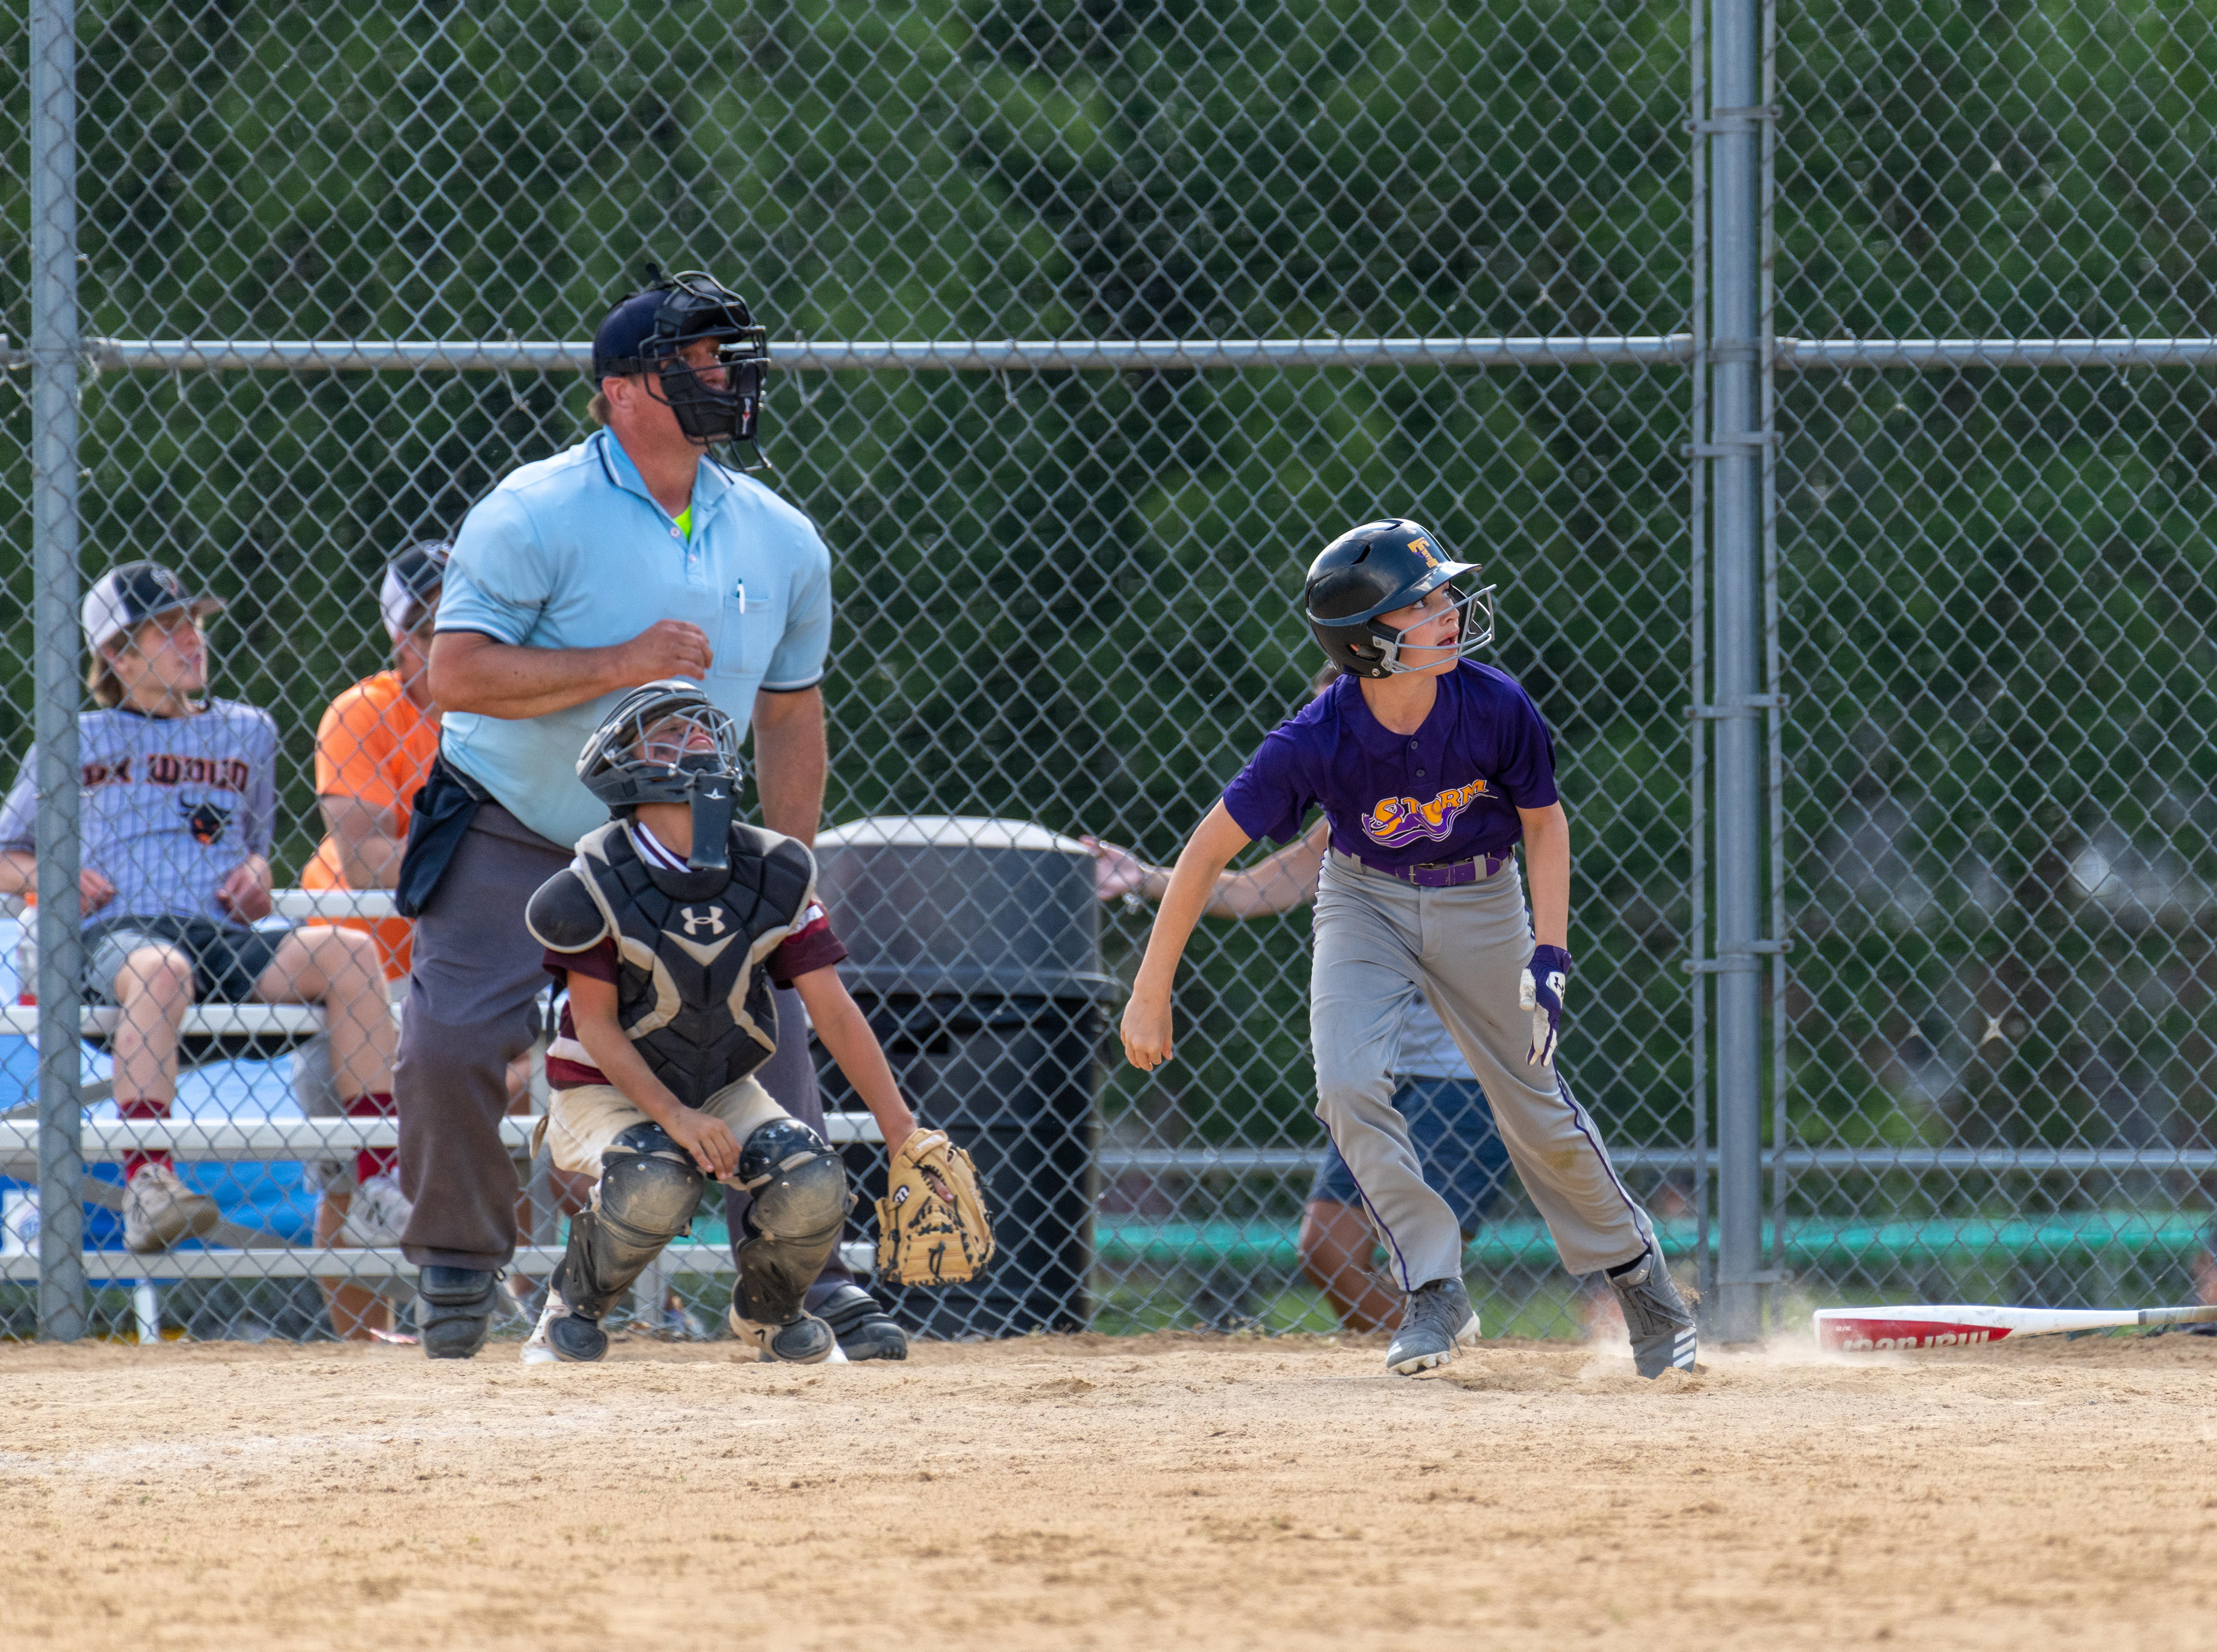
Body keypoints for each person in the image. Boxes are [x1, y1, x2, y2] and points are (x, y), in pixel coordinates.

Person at [398, 264, 903, 1360]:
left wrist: (787, 870)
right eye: (700, 361)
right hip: (514, 817)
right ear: (623, 390)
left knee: (770, 1028)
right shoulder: (534, 510)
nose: (728, 377)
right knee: (454, 1036)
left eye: (729, 358)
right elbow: (456, 675)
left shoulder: (780, 536)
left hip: (687, 837)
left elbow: (791, 712)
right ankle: (458, 1263)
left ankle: (806, 1280)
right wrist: (621, 661)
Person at [1117, 518, 1697, 1378]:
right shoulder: (1316, 737)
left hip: (1482, 899)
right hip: (1365, 900)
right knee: (1347, 1085)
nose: (1450, 610)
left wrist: (1551, 951)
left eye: (1446, 594)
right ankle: (1433, 1286)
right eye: (1423, 604)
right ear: (1367, 641)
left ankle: (1641, 1279)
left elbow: (1544, 824)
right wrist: (1149, 989)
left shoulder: (1495, 704)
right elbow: (1207, 854)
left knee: (1535, 1105)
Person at [1083, 667, 1511, 1333]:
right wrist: (1145, 877)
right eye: (1326, 721)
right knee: (1327, 1249)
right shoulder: (1349, 820)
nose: (1334, 739)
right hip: (1382, 1078)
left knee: (1416, 1255)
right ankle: (1438, 1355)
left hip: (1465, 1079)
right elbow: (1256, 886)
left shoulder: (1455, 800)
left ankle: (1450, 1341)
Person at [0, 562, 396, 1254]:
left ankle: (380, 1184)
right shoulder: (74, 738)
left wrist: (256, 871)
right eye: (167, 628)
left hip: (216, 934)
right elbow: (6, 854)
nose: (192, 638)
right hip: (117, 938)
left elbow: (251, 845)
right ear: (118, 655)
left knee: (350, 952)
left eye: (194, 623)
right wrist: (54, 873)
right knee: (161, 967)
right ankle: (148, 1184)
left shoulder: (248, 730)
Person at [520, 683, 921, 1364]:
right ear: (621, 768)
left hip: (722, 1083)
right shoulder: (593, 880)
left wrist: (902, 1129)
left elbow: (832, 1009)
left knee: (811, 1176)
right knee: (656, 1176)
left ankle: (770, 1312)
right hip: (601, 1088)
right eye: (669, 736)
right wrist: (676, 1118)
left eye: (702, 730)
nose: (698, 741)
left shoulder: (772, 868)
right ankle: (573, 1306)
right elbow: (596, 1027)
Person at [290, 540, 447, 1338]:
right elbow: (365, 860)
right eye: (435, 621)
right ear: (403, 637)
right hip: (361, 976)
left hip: (456, 969)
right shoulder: (364, 711)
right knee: (352, 1170)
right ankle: (359, 1353)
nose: (457, 632)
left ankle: (512, 1310)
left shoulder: (505, 717)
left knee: (512, 1121)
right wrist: (469, 856)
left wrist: (419, 843)